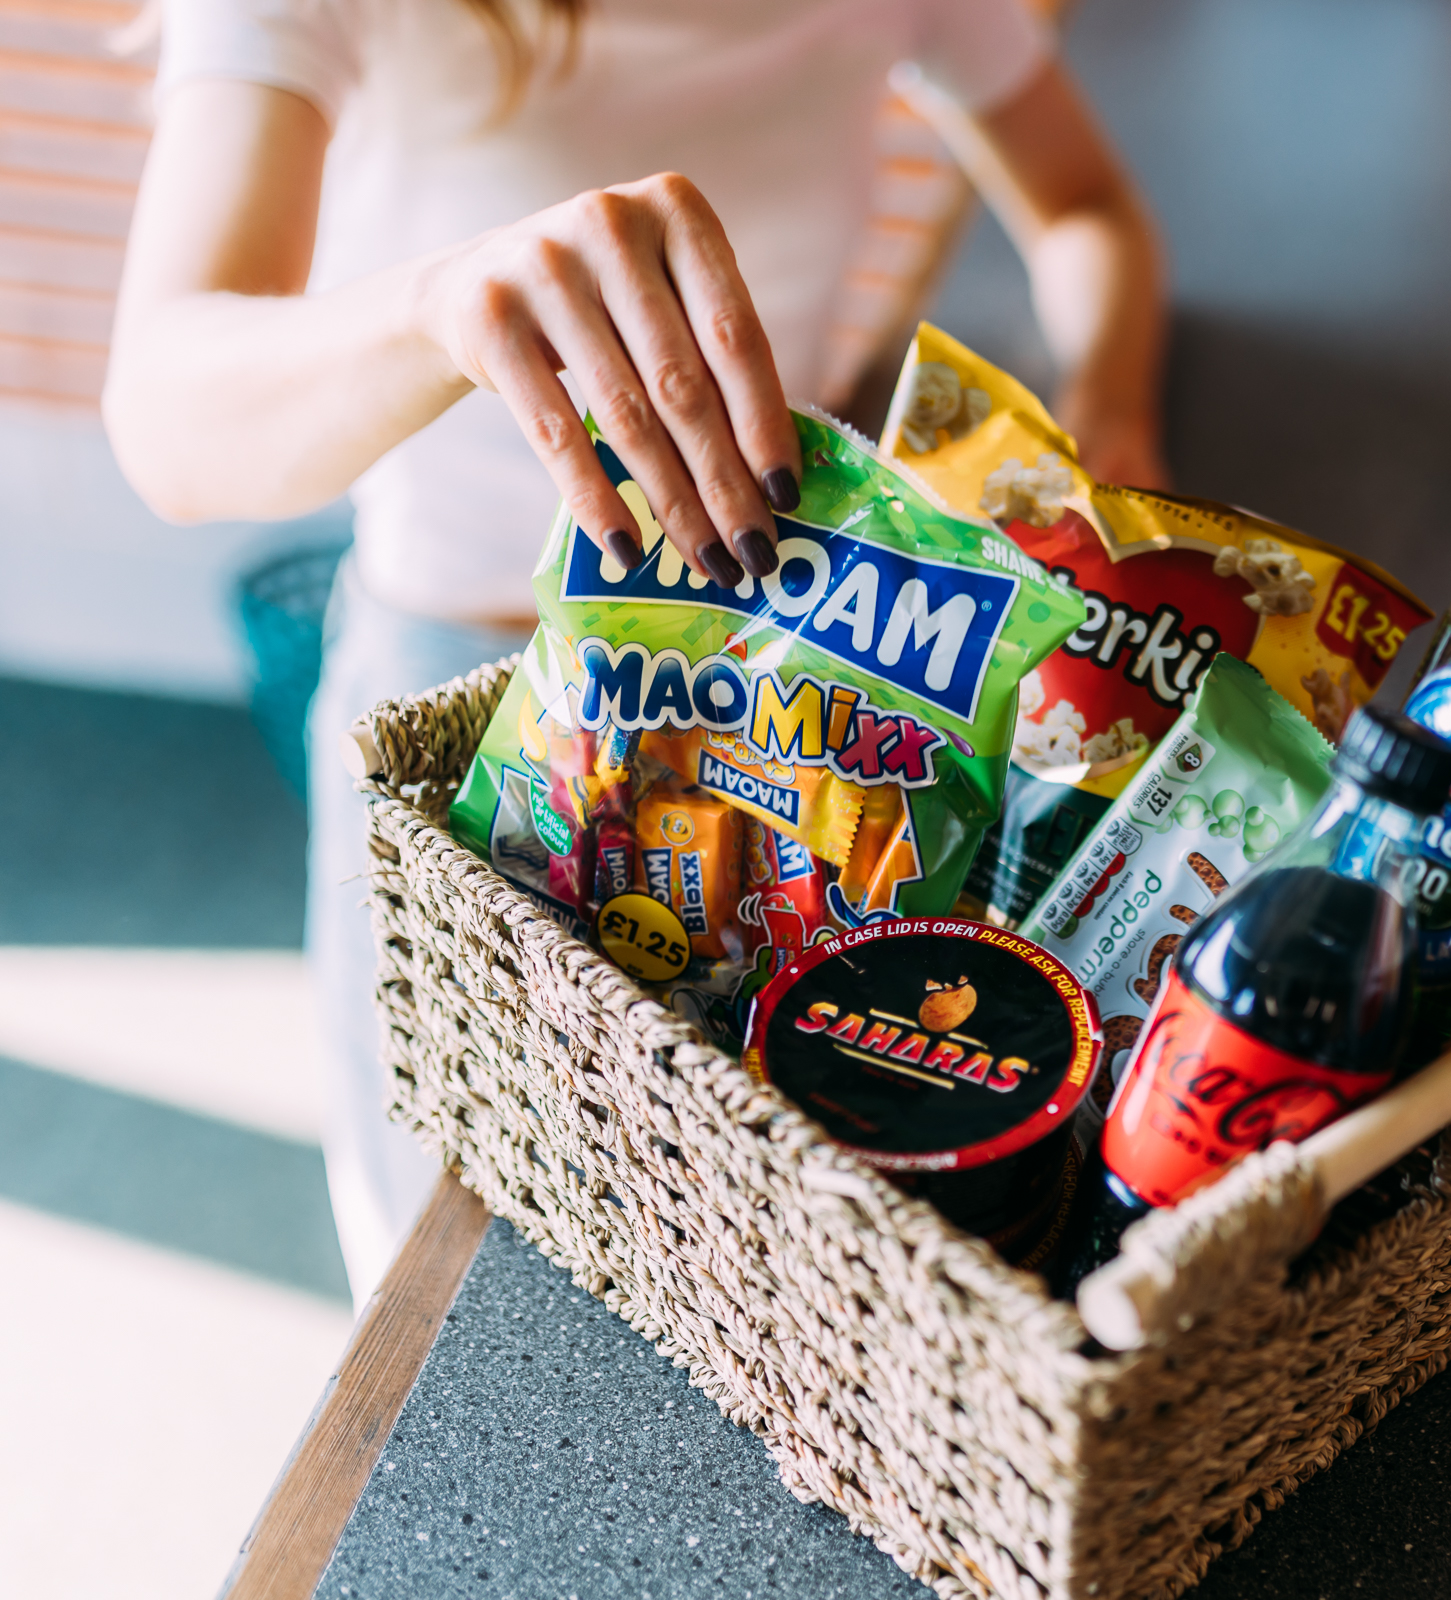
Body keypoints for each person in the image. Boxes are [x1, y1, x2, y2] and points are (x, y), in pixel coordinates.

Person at [104, 0, 1167, 1308]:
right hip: (453, 695)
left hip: (789, 694)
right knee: (447, 1287)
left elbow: (1082, 205)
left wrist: (1106, 412)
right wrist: (436, 304)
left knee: (778, 1265)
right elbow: (165, 416)